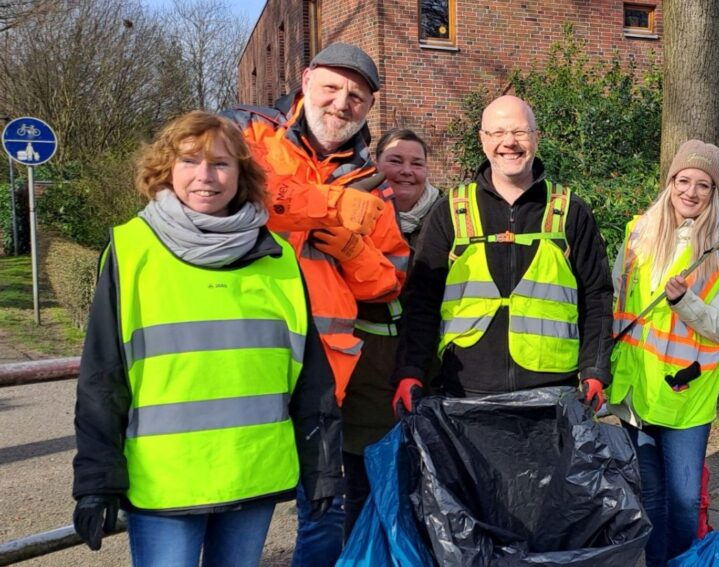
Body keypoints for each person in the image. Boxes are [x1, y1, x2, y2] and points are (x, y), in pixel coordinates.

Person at [71, 111, 343, 566]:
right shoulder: (131, 250)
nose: (205, 176)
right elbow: (102, 377)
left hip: (252, 474)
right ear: (166, 169)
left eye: (220, 163)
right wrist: (96, 482)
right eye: (189, 161)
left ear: (241, 174)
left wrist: (322, 470)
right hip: (165, 482)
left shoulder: (278, 259)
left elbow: (311, 380)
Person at [225, 42, 410, 565]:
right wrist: (331, 205)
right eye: (331, 87)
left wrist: (352, 249)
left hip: (326, 370)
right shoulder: (247, 132)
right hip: (242, 356)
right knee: (233, 502)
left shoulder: (374, 182)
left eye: (357, 97)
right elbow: (235, 195)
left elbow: (390, 281)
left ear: (369, 108)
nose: (341, 103)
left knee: (323, 512)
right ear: (305, 81)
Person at [392, 95, 613, 414]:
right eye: (497, 132)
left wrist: (595, 371)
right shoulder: (450, 211)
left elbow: (597, 298)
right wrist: (410, 371)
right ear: (483, 140)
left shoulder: (570, 212)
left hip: (553, 397)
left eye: (520, 132)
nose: (509, 142)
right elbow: (421, 302)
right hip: (465, 393)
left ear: (536, 138)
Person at [607, 139, 719, 566]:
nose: (691, 192)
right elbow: (616, 297)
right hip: (637, 386)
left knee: (685, 499)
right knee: (650, 496)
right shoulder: (638, 232)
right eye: (683, 180)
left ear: (715, 191)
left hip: (685, 393)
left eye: (703, 185)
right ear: (670, 182)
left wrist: (684, 302)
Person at [342, 128, 441, 538]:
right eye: (395, 161)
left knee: (425, 494)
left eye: (417, 163)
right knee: (362, 492)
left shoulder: (447, 219)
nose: (406, 171)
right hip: (365, 375)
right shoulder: (352, 211)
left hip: (431, 375)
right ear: (376, 166)